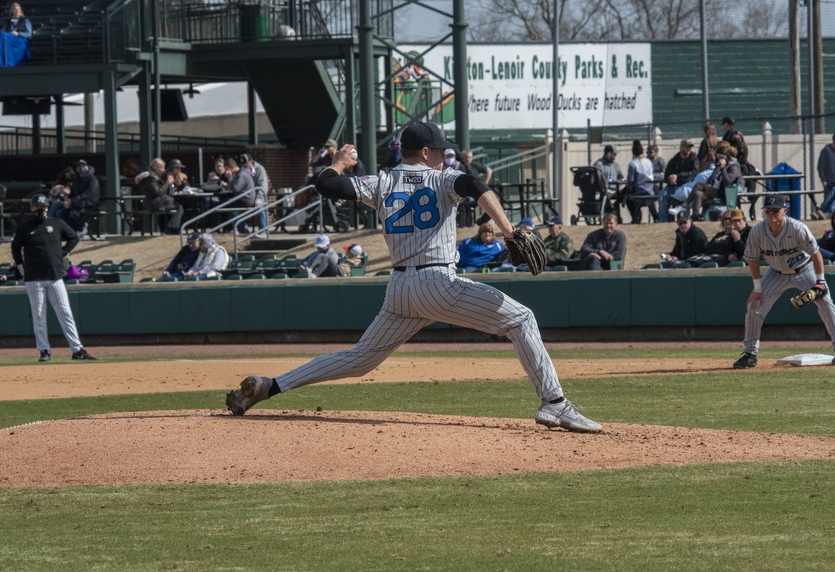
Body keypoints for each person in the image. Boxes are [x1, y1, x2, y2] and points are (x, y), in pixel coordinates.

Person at [225, 121, 603, 433]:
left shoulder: (383, 183)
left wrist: (339, 162)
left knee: (359, 359)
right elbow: (475, 185)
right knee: (522, 318)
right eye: (439, 150)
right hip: (438, 283)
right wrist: (508, 230)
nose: (443, 155)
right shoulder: (441, 180)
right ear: (425, 153)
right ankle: (554, 403)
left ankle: (270, 386)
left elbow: (327, 184)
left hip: (401, 289)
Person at [735, 193, 835, 368]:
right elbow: (753, 260)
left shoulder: (797, 228)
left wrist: (820, 281)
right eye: (768, 210)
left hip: (804, 269)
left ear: (784, 211)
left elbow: (815, 254)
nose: (772, 214)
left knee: (825, 301)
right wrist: (757, 288)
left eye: (776, 210)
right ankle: (750, 354)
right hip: (776, 272)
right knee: (754, 305)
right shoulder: (757, 232)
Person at [11, 194, 96, 363]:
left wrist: (63, 254)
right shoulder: (24, 228)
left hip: (55, 276)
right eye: (37, 207)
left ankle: (77, 350)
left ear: (47, 208)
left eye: (42, 207)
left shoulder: (56, 224)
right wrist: (22, 271)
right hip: (34, 278)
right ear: (31, 208)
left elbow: (73, 237)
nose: (40, 210)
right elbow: (15, 251)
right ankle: (44, 350)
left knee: (65, 312)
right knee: (39, 315)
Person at [685, 149, 741, 221]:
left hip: (722, 192)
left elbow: (728, 182)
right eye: (717, 157)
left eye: (721, 157)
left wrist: (723, 168)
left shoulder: (733, 167)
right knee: (698, 193)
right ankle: (696, 216)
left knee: (698, 185)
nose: (719, 159)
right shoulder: (717, 166)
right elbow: (711, 181)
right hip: (713, 190)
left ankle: (685, 204)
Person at [49, 159, 101, 234]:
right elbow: (73, 193)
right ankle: (50, 226)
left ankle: (80, 229)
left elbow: (88, 194)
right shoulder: (78, 181)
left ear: (87, 166)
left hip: (87, 205)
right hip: (75, 204)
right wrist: (65, 193)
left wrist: (72, 201)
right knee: (59, 211)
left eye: (82, 166)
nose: (80, 169)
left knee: (73, 214)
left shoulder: (92, 179)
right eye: (78, 167)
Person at [134, 157, 184, 234]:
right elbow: (158, 192)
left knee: (177, 207)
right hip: (155, 203)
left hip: (158, 202)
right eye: (162, 168)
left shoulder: (155, 177)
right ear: (157, 168)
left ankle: (170, 228)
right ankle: (173, 228)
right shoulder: (150, 179)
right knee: (178, 207)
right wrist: (168, 182)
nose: (164, 170)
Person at [657, 139, 700, 222]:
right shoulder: (674, 160)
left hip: (688, 186)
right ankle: (663, 220)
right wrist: (670, 179)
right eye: (686, 147)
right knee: (662, 194)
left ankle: (686, 219)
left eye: (690, 147)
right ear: (681, 147)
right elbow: (666, 176)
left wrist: (678, 176)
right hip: (675, 187)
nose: (688, 149)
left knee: (688, 196)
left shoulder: (694, 158)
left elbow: (694, 173)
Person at [0, 1, 32, 67]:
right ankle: (2, 62)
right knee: (1, 35)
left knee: (3, 35)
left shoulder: (25, 20)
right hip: (9, 38)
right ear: (12, 11)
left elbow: (29, 33)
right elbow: (2, 31)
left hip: (20, 39)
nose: (16, 11)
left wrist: (18, 33)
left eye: (18, 10)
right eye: (15, 10)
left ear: (20, 10)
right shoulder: (9, 21)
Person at [622, 140, 657, 224]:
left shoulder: (633, 163)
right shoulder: (649, 162)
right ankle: (655, 216)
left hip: (639, 191)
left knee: (626, 197)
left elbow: (631, 181)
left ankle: (635, 217)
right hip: (650, 191)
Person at [239, 153, 269, 232]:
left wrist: (258, 198)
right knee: (236, 208)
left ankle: (263, 232)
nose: (244, 167)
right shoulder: (242, 171)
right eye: (242, 165)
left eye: (246, 165)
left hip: (259, 195)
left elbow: (263, 186)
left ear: (251, 162)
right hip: (248, 196)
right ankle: (244, 231)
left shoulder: (260, 169)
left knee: (260, 206)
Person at [816, 132, 835, 205]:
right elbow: (821, 166)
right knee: (828, 199)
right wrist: (823, 180)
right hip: (829, 181)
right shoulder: (826, 151)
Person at [593, 145, 623, 218]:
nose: (615, 156)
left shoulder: (615, 165)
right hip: (605, 189)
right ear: (609, 154)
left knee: (627, 193)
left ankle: (614, 208)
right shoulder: (599, 165)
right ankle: (610, 210)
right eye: (614, 154)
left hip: (616, 189)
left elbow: (620, 176)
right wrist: (612, 180)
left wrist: (620, 180)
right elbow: (602, 180)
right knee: (605, 196)